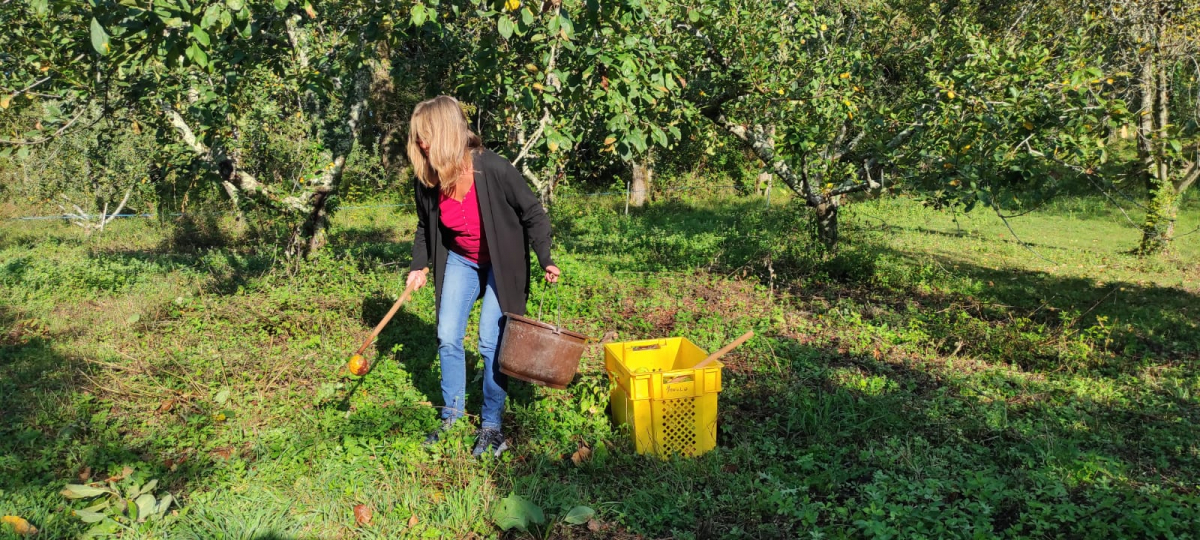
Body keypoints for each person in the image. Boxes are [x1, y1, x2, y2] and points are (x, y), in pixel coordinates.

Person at [404, 95, 560, 458]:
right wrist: (419, 265)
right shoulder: (428, 180)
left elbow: (533, 213)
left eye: (425, 135)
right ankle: (453, 414)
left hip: (501, 265)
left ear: (444, 133)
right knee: (447, 335)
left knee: (490, 340)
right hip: (461, 260)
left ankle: (491, 425)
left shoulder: (493, 169)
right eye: (417, 136)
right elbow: (425, 228)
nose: (421, 143)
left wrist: (545, 258)